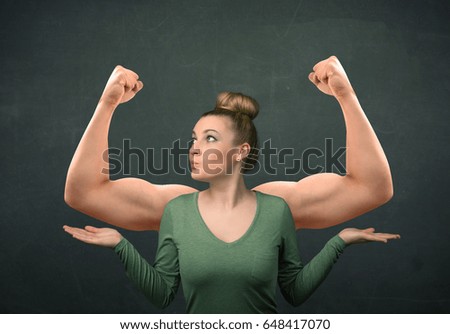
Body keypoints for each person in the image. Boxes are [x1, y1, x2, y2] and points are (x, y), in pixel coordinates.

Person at [63, 56, 399, 313]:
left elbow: (373, 187)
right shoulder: (176, 209)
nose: (194, 147)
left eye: (209, 138)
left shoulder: (277, 206)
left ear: (241, 152)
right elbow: (84, 192)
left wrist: (346, 95)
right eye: (194, 138)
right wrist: (106, 104)